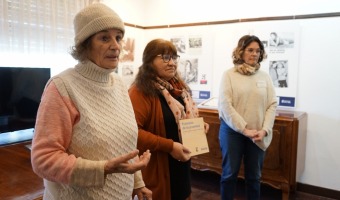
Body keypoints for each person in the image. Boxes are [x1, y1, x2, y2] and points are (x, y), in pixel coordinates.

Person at [30, 3, 152, 200]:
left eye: (118, 38)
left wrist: (138, 184)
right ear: (85, 45)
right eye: (104, 38)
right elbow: (43, 159)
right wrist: (102, 169)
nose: (116, 46)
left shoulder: (120, 84)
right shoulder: (62, 87)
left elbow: (125, 146)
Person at [128, 38, 209, 200]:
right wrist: (170, 146)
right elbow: (133, 133)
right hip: (158, 169)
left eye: (174, 57)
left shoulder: (179, 89)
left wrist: (200, 126)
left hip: (182, 165)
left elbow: (182, 119)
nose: (172, 63)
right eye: (165, 57)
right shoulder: (139, 92)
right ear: (149, 60)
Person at [218, 35, 277, 200]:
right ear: (241, 52)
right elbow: (225, 106)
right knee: (229, 175)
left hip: (257, 134)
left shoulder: (264, 76)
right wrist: (244, 129)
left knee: (254, 178)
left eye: (258, 51)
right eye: (250, 50)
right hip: (232, 132)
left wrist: (265, 130)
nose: (254, 54)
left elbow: (272, 104)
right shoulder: (229, 75)